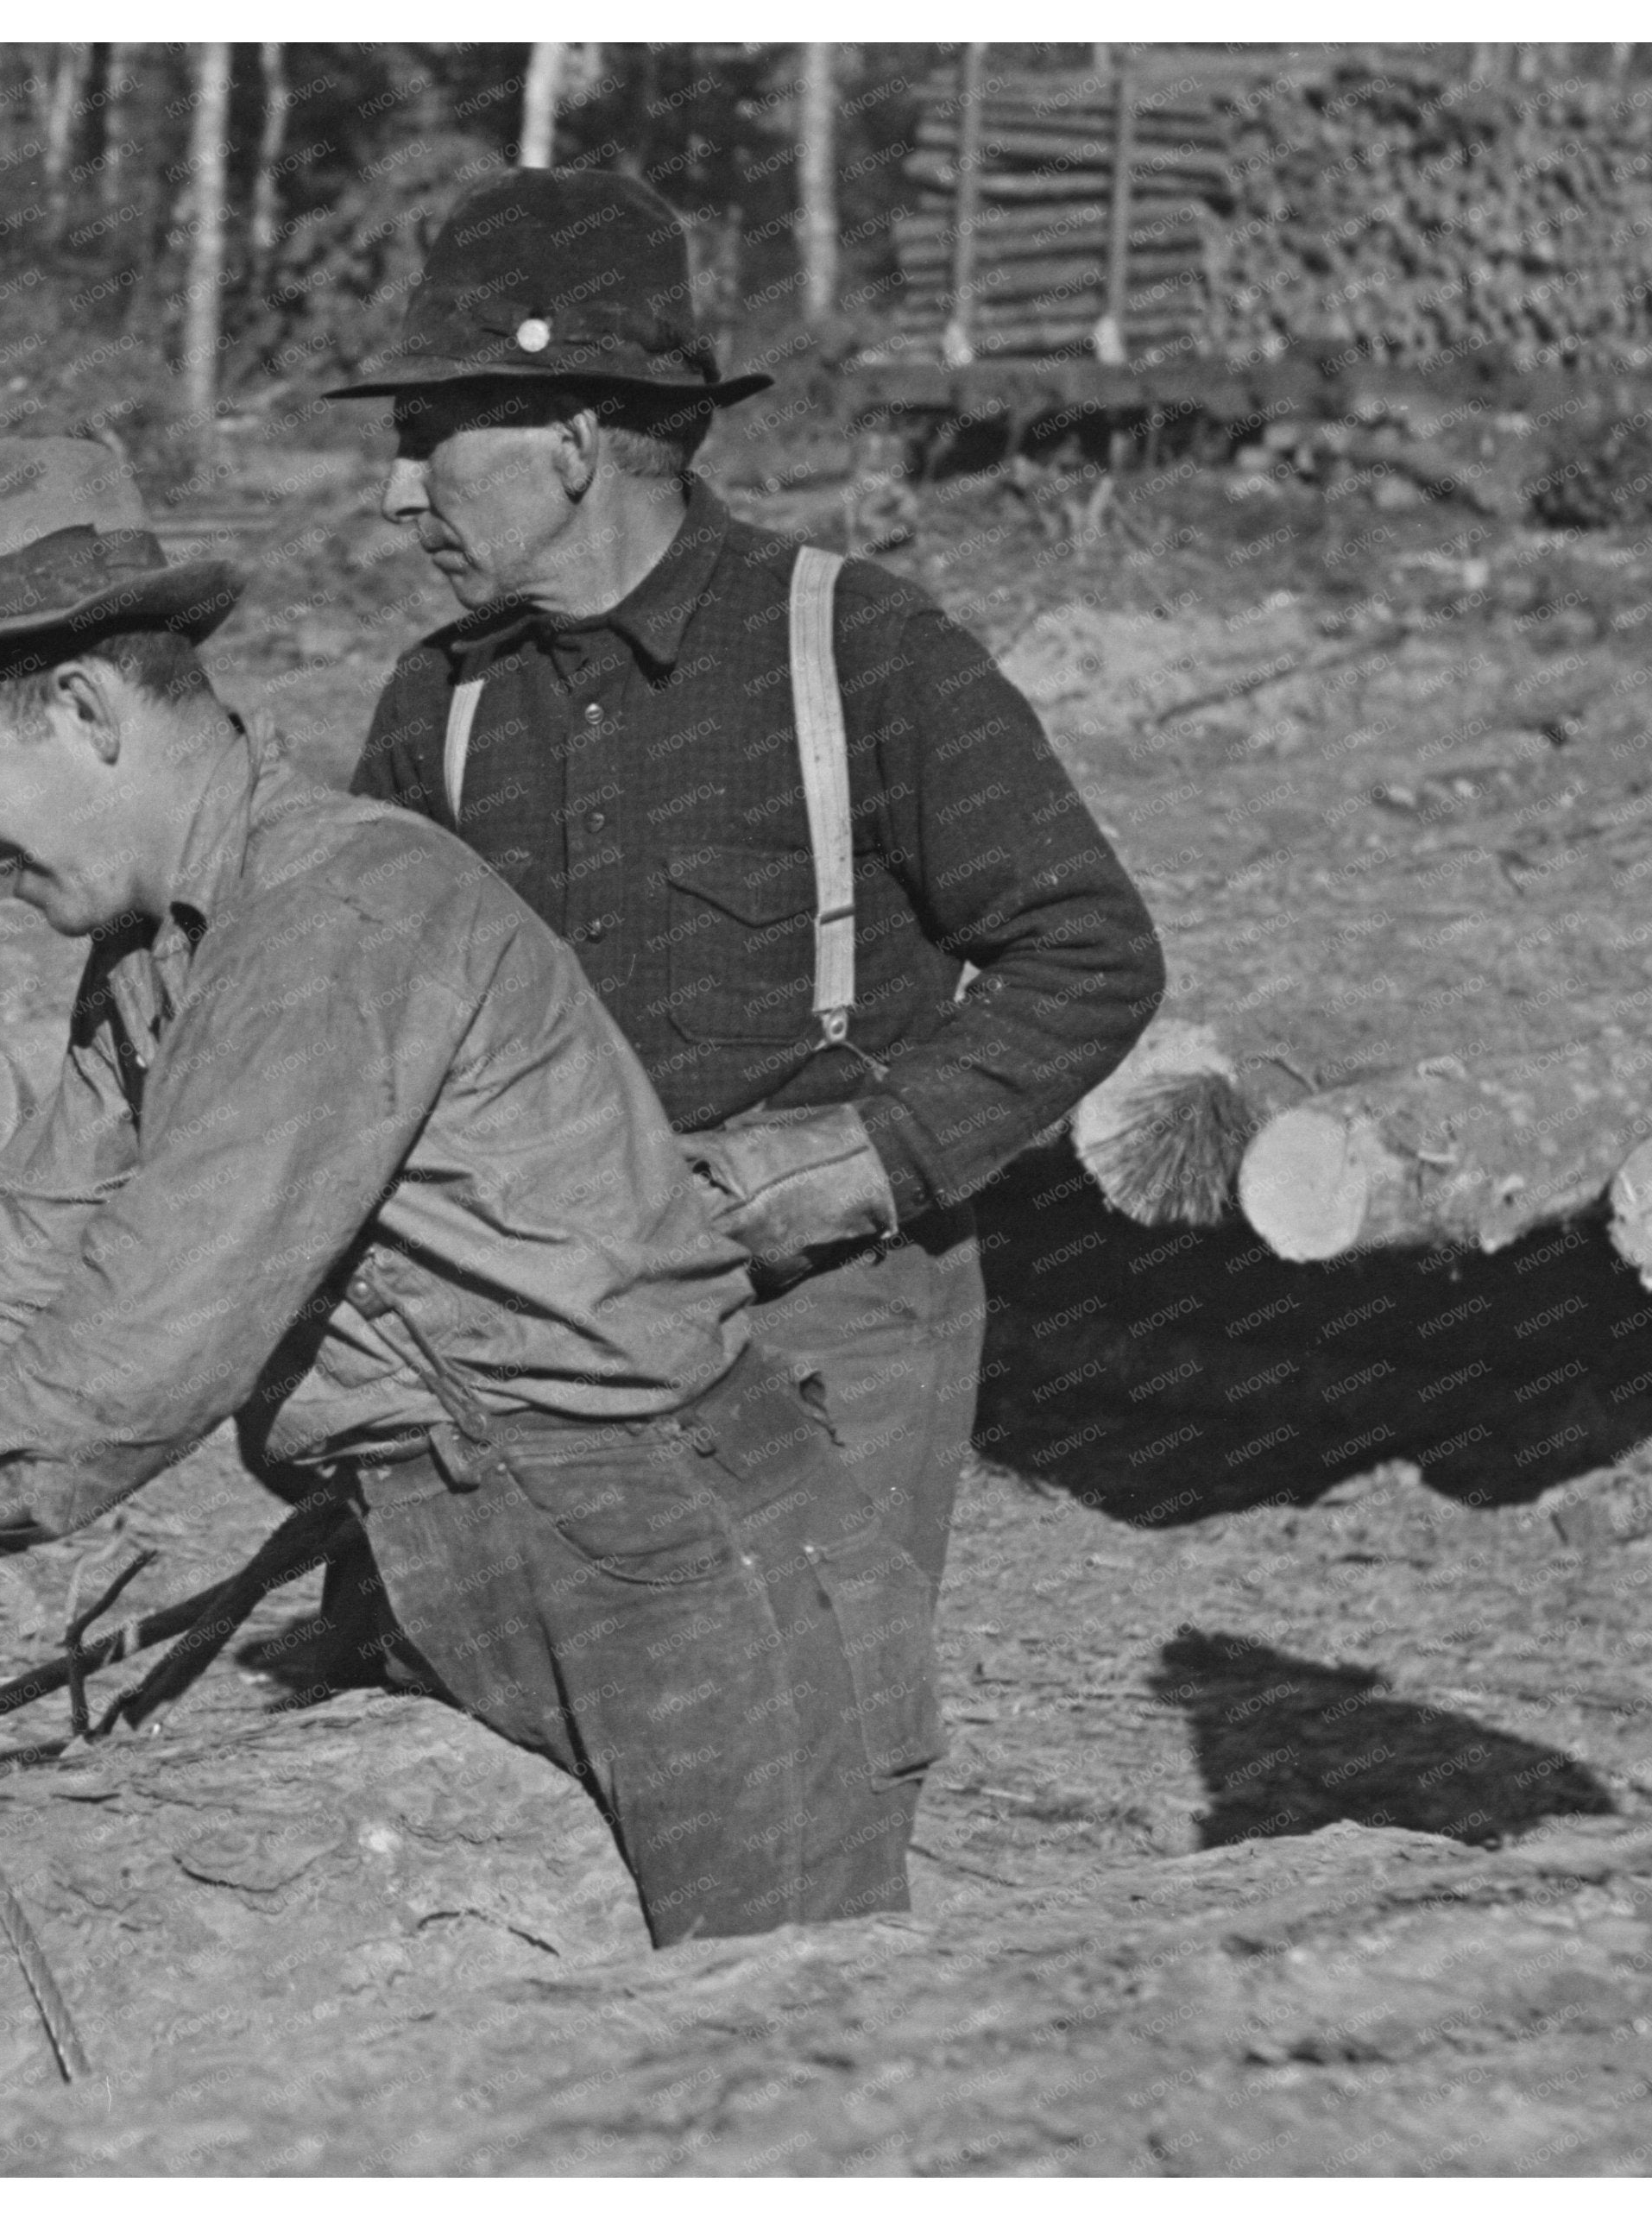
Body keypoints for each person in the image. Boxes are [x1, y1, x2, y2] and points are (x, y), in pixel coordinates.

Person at [0, 436, 941, 1945]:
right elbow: (24, 1268)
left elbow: (128, 1375)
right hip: (466, 1541)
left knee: (759, 2081)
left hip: (674, 1564)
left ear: (83, 707)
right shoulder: (154, 956)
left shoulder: (329, 922)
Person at [326, 171, 1167, 1861]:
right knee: (525, 1802)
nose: (394, 483)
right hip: (533, 1345)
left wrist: (870, 1156)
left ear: (572, 435)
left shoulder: (855, 645)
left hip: (822, 1339)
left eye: (432, 432)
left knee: (798, 1802)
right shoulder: (440, 704)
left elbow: (1089, 947)